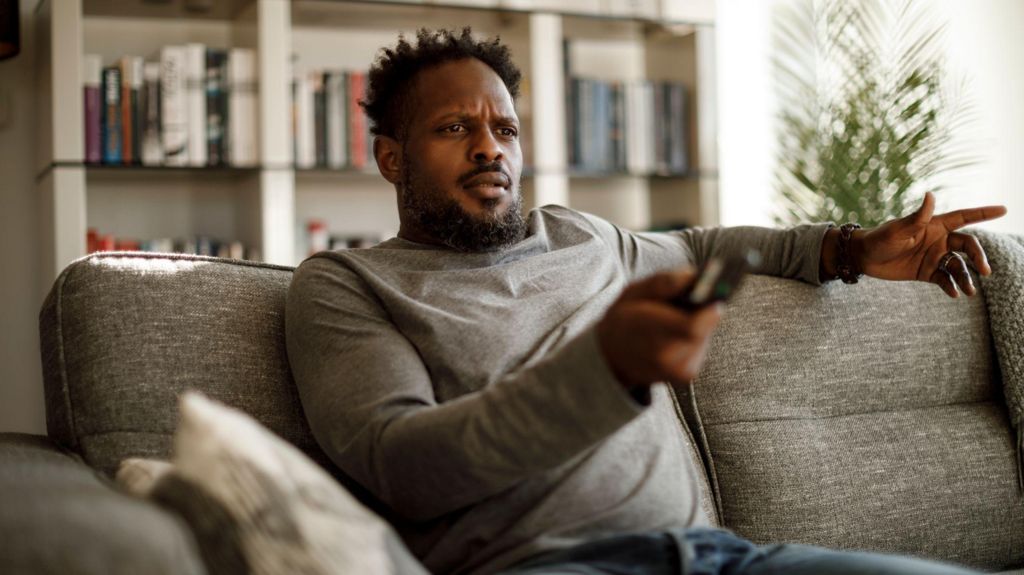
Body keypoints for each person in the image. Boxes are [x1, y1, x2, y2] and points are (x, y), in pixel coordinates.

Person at [284, 28, 1007, 575]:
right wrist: (602, 371)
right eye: (455, 128)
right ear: (390, 157)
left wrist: (850, 250)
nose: (489, 148)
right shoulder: (346, 284)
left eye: (504, 128)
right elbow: (402, 465)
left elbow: (710, 249)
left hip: (723, 558)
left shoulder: (583, 237)